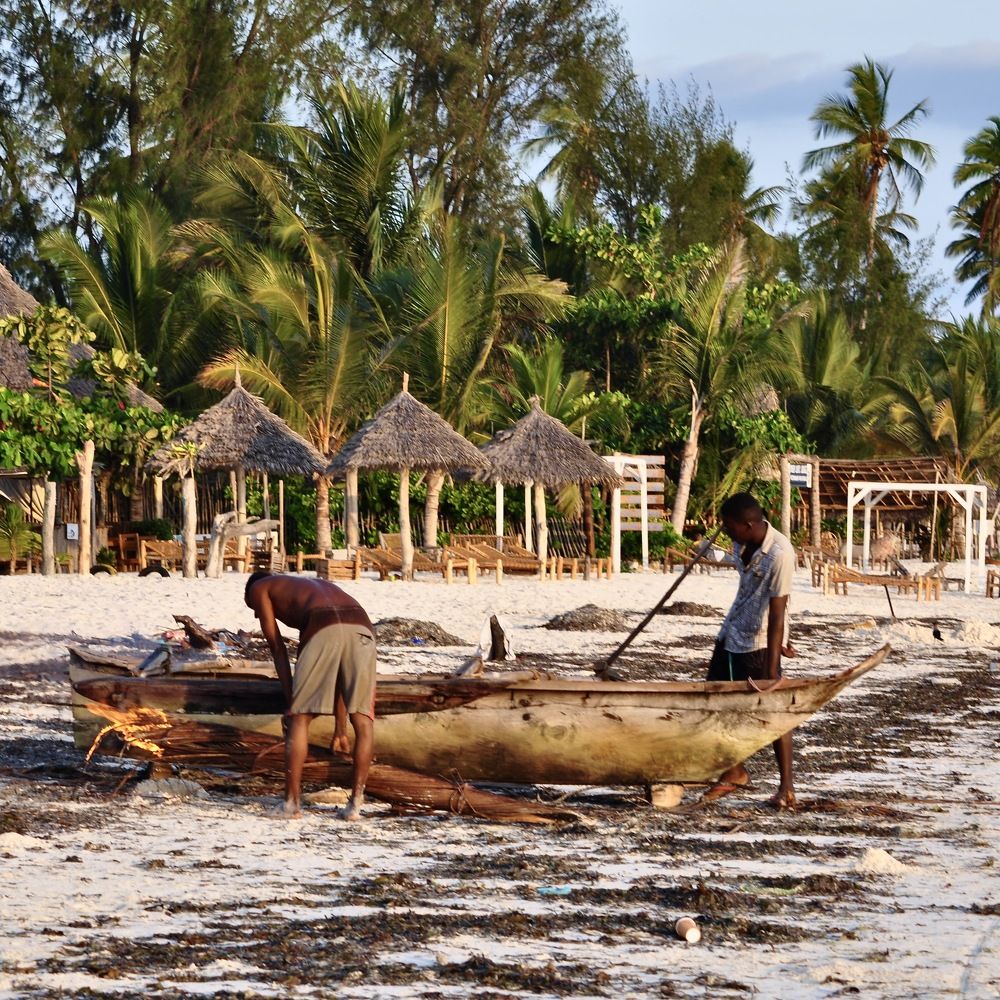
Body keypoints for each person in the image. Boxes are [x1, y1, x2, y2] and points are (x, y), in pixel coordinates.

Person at [245, 571, 376, 820]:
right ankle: (355, 806)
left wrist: (291, 702)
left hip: (323, 624)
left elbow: (277, 649)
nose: (256, 614)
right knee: (363, 719)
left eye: (253, 609)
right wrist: (340, 730)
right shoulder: (310, 585)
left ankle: (291, 805)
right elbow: (339, 675)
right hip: (362, 626)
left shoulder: (259, 587)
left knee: (300, 719)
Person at [703, 492, 797, 809]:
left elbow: (779, 611)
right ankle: (735, 771)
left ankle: (786, 788)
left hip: (759, 643)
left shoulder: (781, 554)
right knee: (714, 701)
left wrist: (772, 670)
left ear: (747, 524)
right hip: (731, 634)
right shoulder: (740, 543)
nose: (725, 532)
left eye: (729, 526)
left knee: (773, 713)